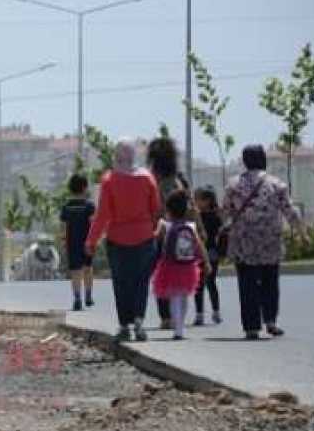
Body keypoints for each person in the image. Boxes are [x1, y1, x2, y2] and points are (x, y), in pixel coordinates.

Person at [224, 144, 308, 340]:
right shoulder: (276, 184)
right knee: (271, 281)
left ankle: (252, 327)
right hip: (270, 242)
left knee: (247, 284)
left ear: (244, 161)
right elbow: (290, 211)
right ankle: (271, 320)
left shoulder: (233, 185)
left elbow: (225, 212)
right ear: (263, 159)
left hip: (243, 243)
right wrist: (302, 233)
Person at [86, 140, 162, 342]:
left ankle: (124, 325)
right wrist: (151, 227)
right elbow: (155, 208)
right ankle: (138, 320)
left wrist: (91, 240)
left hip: (117, 240)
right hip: (144, 238)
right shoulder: (147, 178)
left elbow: (102, 214)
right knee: (141, 282)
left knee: (121, 283)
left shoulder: (109, 180)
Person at [145, 138, 206, 330]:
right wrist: (200, 229)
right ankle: (177, 311)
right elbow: (192, 209)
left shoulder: (150, 180)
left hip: (160, 234)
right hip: (181, 234)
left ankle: (166, 316)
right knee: (181, 272)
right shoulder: (179, 180)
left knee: (161, 276)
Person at [153, 190, 211, 340]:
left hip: (170, 266)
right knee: (184, 296)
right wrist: (206, 262)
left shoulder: (164, 224)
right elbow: (199, 245)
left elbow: (154, 238)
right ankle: (181, 326)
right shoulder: (191, 226)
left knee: (174, 297)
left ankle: (177, 328)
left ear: (168, 210)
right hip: (188, 266)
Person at [59, 173, 95, 311]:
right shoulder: (89, 206)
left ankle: (77, 298)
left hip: (72, 243)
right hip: (87, 242)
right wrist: (94, 240)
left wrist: (63, 241)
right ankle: (88, 295)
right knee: (88, 269)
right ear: (85, 188)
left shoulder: (66, 207)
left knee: (75, 272)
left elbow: (63, 226)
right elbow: (92, 223)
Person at [193, 187, 223, 325]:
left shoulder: (212, 217)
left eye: (199, 199)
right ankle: (200, 314)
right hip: (202, 252)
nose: (196, 201)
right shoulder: (201, 216)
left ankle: (215, 312)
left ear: (207, 201)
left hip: (209, 252)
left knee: (209, 283)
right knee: (200, 284)